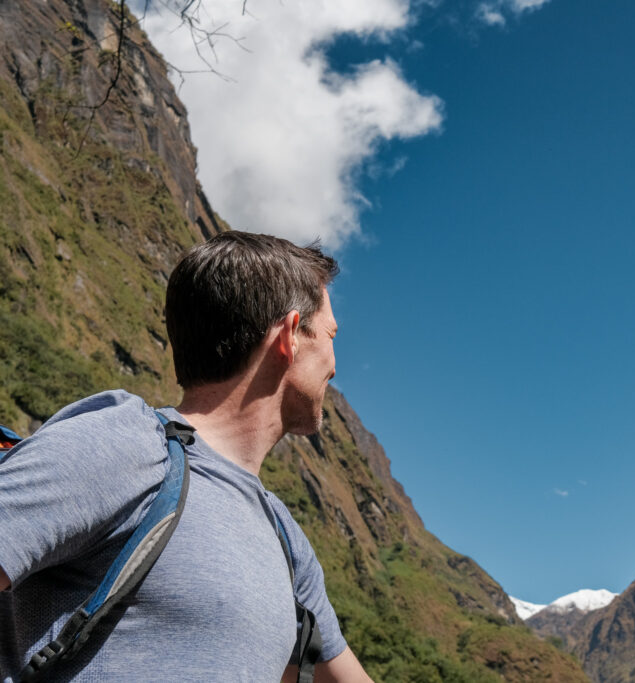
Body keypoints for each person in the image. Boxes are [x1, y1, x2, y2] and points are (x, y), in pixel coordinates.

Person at [0, 232, 374, 682]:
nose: (335, 363)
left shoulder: (285, 539)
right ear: (291, 335)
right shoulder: (126, 445)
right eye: (330, 334)